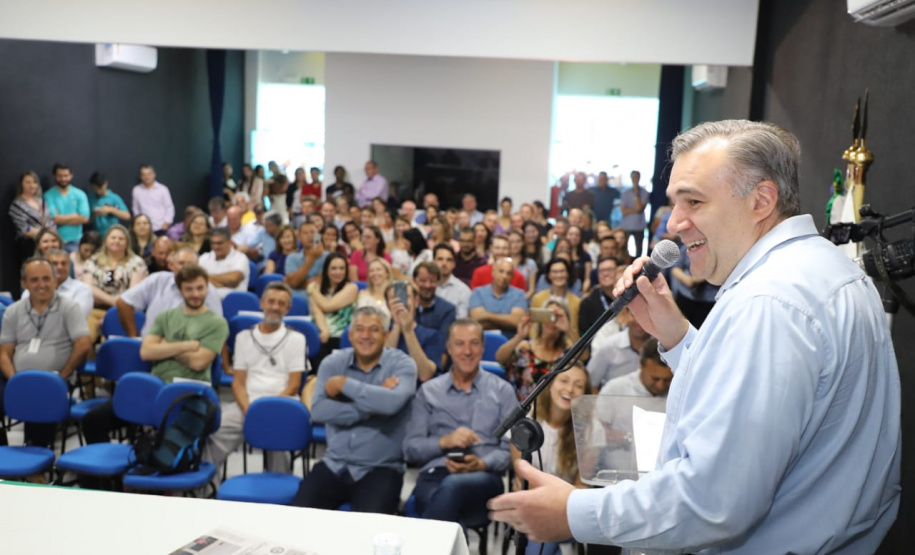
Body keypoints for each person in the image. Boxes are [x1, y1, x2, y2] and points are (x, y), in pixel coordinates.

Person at [488, 120, 901, 554]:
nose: (675, 224)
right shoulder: (824, 270)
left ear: (761, 200)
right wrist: (679, 336)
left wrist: (573, 513)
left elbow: (714, 502)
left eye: (695, 201)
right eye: (673, 203)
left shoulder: (769, 304)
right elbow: (783, 401)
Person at [292, 306, 417, 513]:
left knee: (370, 534)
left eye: (374, 329)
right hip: (334, 464)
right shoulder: (333, 363)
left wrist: (344, 385)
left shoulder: (402, 365)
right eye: (359, 329)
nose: (366, 336)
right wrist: (372, 406)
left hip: (381, 469)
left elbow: (392, 403)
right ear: (350, 335)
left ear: (386, 335)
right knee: (298, 520)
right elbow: (320, 411)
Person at [403, 319, 518, 525]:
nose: (467, 351)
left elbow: (510, 450)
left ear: (483, 348)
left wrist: (482, 463)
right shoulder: (429, 392)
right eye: (459, 343)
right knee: (444, 504)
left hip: (484, 477)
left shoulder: (503, 391)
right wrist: (444, 441)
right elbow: (411, 448)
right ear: (449, 347)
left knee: (448, 491)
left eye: (474, 343)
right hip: (435, 473)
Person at [204, 282, 305, 473]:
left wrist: (266, 412)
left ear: (288, 309)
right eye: (271, 301)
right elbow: (239, 383)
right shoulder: (243, 337)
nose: (275, 307)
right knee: (214, 432)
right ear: (261, 304)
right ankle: (206, 490)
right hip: (246, 405)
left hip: (281, 404)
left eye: (281, 303)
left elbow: (293, 386)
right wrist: (251, 411)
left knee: (280, 439)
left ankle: (278, 496)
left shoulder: (297, 339)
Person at [0, 258, 92, 448]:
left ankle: (37, 464)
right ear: (24, 284)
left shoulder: (69, 307)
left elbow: (83, 344)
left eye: (46, 279)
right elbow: (4, 353)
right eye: (34, 280)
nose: (41, 285)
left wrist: (62, 376)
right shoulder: (13, 311)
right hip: (17, 378)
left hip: (54, 379)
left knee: (41, 392)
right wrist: (15, 380)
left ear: (55, 281)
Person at [511, 364, 592, 555]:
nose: (570, 389)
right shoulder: (527, 421)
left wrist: (555, 504)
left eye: (578, 386)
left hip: (569, 512)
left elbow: (582, 488)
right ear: (549, 384)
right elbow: (522, 478)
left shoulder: (590, 430)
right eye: (564, 381)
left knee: (541, 540)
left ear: (585, 394)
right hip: (529, 506)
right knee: (540, 538)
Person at [139, 264, 228, 384]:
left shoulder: (217, 323)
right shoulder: (165, 316)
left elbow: (198, 363)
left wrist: (165, 347)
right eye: (189, 289)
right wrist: (187, 346)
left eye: (200, 288)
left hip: (192, 388)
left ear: (207, 288)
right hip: (158, 384)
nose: (195, 294)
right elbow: (146, 352)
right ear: (180, 291)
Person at [116, 245, 223, 337]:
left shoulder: (207, 290)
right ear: (171, 265)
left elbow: (217, 328)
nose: (185, 268)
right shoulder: (157, 280)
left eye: (190, 264)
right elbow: (123, 302)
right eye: (181, 263)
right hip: (149, 348)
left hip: (188, 349)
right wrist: (134, 337)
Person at [496, 300, 575, 402]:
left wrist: (568, 330)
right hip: (525, 410)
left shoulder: (568, 351)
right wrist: (519, 337)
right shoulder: (526, 348)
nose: (551, 321)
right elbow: (500, 358)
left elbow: (585, 359)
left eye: (556, 317)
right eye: (547, 315)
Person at [81, 224, 148, 340]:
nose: (117, 241)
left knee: (110, 342)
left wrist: (113, 314)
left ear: (127, 243)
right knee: (87, 338)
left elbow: (133, 292)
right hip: (96, 310)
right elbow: (88, 287)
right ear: (106, 241)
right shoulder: (93, 261)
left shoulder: (137, 263)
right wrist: (114, 301)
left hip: (125, 313)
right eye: (113, 237)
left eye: (121, 239)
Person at [384, 281, 441, 382]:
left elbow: (425, 375)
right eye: (394, 298)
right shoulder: (380, 335)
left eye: (406, 297)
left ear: (416, 301)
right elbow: (382, 371)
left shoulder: (431, 335)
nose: (400, 302)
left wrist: (408, 331)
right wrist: (397, 325)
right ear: (388, 306)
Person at [308, 252, 358, 357]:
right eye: (334, 268)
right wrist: (324, 330)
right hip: (321, 335)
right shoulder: (317, 289)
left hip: (341, 338)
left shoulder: (351, 288)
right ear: (326, 270)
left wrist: (312, 289)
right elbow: (317, 312)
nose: (338, 272)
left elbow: (328, 306)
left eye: (342, 268)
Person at [585, 307, 647, 390]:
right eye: (634, 315)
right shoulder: (609, 346)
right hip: (612, 401)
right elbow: (590, 382)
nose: (639, 321)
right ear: (626, 315)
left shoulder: (661, 346)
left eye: (645, 316)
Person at [22, 249, 93, 321]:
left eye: (63, 263)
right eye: (54, 263)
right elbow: (25, 317)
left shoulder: (82, 289)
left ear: (69, 266)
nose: (60, 267)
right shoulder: (31, 289)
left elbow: (76, 319)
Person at [469, 258, 528, 339]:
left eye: (509, 273)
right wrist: (507, 322)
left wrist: (487, 316)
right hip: (482, 340)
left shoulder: (519, 294)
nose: (504, 276)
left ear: (512, 276)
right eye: (501, 271)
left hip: (511, 342)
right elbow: (476, 319)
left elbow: (517, 321)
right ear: (493, 272)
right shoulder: (478, 292)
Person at [600, 338, 672, 398]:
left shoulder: (679, 392)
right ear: (641, 365)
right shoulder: (613, 391)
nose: (660, 386)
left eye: (667, 380)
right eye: (655, 379)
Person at [10, 171, 56, 263]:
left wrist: (50, 237)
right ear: (21, 184)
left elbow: (51, 221)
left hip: (48, 247)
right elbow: (25, 229)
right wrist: (45, 235)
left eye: (34, 182)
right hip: (29, 247)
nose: (32, 185)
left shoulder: (42, 202)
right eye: (28, 182)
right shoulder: (17, 205)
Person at [44, 163, 89, 252]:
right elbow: (53, 219)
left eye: (66, 175)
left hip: (76, 241)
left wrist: (60, 218)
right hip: (54, 242)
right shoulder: (48, 195)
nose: (63, 179)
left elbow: (84, 218)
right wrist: (74, 215)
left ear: (71, 175)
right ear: (55, 176)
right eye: (60, 176)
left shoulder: (80, 194)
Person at [529, 258, 581, 337]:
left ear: (567, 274)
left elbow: (576, 330)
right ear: (549, 275)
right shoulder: (538, 298)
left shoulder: (577, 302)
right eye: (555, 272)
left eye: (562, 271)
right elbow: (534, 327)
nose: (559, 275)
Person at [578, 256, 621, 347]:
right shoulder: (587, 303)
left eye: (610, 270)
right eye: (601, 271)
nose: (605, 274)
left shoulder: (630, 297)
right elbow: (584, 336)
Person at [198, 228, 250, 299]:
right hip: (207, 302)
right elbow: (196, 280)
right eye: (212, 243)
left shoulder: (241, 258)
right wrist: (224, 281)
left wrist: (207, 279)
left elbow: (233, 279)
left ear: (229, 242)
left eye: (219, 243)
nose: (215, 247)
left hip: (233, 303)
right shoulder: (204, 258)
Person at [284, 221, 328, 297]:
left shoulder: (328, 256)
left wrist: (299, 284)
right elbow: (293, 282)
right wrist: (312, 258)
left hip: (321, 297)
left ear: (318, 235)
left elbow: (323, 282)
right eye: (305, 233)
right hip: (296, 297)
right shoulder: (292, 258)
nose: (310, 236)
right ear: (299, 237)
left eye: (312, 232)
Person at [131, 165, 175, 235]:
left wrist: (167, 222)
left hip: (160, 227)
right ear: (141, 177)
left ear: (154, 175)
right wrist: (138, 223)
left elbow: (169, 207)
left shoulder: (163, 189)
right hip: (144, 228)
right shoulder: (136, 190)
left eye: (149, 174)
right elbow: (136, 208)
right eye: (144, 174)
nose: (146, 177)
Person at [432, 244, 471, 319]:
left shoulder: (463, 291)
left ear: (454, 264)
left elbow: (461, 321)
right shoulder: (425, 286)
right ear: (433, 262)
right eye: (440, 259)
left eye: (449, 260)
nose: (444, 263)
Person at [87, 171, 130, 237]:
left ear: (106, 184)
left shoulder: (114, 198)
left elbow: (127, 216)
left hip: (112, 234)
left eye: (100, 188)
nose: (98, 191)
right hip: (96, 235)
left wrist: (111, 210)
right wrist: (94, 214)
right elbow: (87, 221)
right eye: (95, 188)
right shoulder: (90, 198)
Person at [619, 170, 649, 258]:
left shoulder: (644, 192)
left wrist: (636, 194)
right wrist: (635, 209)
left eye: (637, 177)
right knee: (624, 248)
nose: (635, 179)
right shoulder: (625, 193)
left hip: (639, 225)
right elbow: (623, 211)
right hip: (626, 225)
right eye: (633, 177)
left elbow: (640, 208)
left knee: (639, 249)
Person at [355, 258, 393, 326]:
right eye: (371, 271)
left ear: (387, 273)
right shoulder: (362, 294)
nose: (375, 273)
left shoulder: (394, 295)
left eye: (378, 269)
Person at [508, 230, 538, 299]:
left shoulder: (530, 263)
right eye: (511, 242)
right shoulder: (502, 262)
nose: (515, 245)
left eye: (518, 241)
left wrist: (520, 300)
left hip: (523, 300)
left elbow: (531, 290)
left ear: (523, 243)